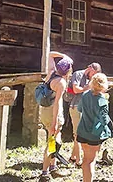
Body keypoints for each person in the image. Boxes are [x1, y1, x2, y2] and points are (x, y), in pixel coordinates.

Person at [39, 51, 73, 182]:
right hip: (53, 114)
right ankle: (44, 173)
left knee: (56, 140)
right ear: (68, 71)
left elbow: (50, 54)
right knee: (52, 141)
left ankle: (53, 167)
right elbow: (57, 104)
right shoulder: (61, 83)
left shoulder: (51, 73)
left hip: (45, 111)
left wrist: (64, 56)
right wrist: (54, 122)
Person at [76, 73, 113, 182]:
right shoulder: (103, 101)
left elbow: (79, 109)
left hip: (82, 131)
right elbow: (104, 120)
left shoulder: (85, 95)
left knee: (85, 159)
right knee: (91, 161)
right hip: (94, 134)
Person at [69, 63, 102, 166]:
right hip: (76, 106)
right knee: (77, 134)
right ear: (90, 68)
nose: (93, 76)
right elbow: (75, 89)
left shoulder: (90, 79)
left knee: (81, 132)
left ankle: (72, 157)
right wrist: (87, 88)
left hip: (85, 108)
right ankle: (78, 160)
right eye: (94, 73)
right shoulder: (78, 74)